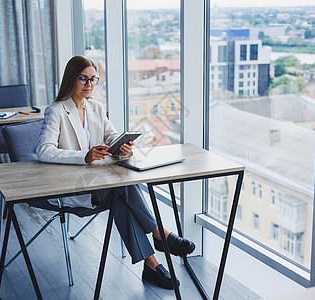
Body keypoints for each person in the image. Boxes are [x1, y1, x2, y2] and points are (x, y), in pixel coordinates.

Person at [36, 55, 195, 289]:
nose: (89, 84)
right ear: (72, 79)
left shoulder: (97, 108)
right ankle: (160, 234)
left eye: (93, 79)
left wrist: (123, 146)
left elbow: (111, 136)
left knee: (121, 192)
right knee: (123, 188)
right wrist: (84, 156)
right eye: (83, 79)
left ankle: (152, 263)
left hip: (103, 185)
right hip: (75, 188)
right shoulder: (56, 111)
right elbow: (43, 150)